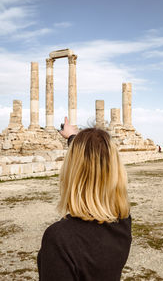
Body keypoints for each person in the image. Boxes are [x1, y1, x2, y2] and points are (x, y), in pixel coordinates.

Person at [37, 117, 132, 281]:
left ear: (72, 172)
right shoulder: (123, 221)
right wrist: (73, 138)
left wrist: (75, 141)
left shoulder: (60, 239)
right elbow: (97, 160)